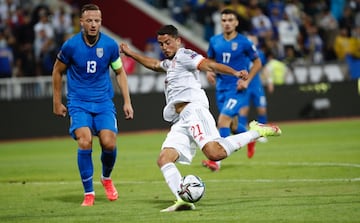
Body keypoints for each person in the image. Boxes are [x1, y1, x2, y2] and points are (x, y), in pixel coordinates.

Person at [120, 24, 281, 212]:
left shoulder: (184, 55)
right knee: (164, 159)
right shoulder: (170, 63)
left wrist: (235, 72)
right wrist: (131, 54)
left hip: (194, 110)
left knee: (215, 153)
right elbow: (154, 64)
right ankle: (184, 200)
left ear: (178, 41)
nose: (164, 47)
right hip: (180, 120)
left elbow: (209, 64)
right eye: (161, 44)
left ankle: (256, 132)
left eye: (168, 42)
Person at [52, 4, 134, 207]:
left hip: (103, 102)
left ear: (101, 22)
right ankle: (89, 193)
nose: (93, 24)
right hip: (79, 103)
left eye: (97, 21)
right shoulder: (71, 46)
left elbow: (119, 72)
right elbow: (57, 71)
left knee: (109, 143)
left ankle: (106, 178)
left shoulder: (109, 45)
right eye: (89, 20)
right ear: (81, 22)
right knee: (84, 140)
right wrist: (56, 101)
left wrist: (127, 101)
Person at [202, 9, 263, 171]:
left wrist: (247, 81)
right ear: (220, 23)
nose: (227, 23)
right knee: (234, 127)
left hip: (237, 88)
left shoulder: (244, 42)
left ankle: (216, 161)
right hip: (221, 88)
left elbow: (257, 63)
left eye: (230, 20)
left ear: (236, 23)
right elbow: (211, 60)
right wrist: (209, 71)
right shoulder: (214, 40)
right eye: (224, 20)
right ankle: (251, 138)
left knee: (222, 121)